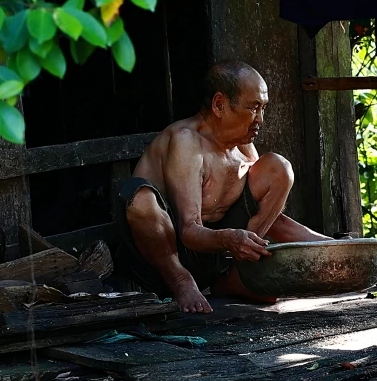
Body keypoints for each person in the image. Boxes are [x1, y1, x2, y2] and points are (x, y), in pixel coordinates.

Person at [111, 60, 331, 313]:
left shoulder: (243, 143)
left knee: (279, 168)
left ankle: (236, 275)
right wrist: (229, 238)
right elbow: (189, 230)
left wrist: (330, 247)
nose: (260, 119)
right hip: (163, 262)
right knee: (139, 199)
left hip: (215, 258)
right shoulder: (186, 142)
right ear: (219, 104)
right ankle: (181, 282)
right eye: (253, 108)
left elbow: (272, 219)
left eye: (263, 108)